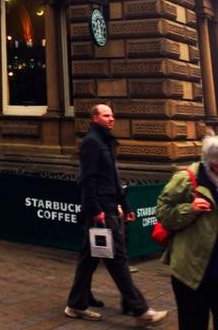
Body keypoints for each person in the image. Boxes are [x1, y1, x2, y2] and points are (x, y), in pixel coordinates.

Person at [64, 103, 167, 325]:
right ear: (95, 119)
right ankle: (141, 310)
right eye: (106, 115)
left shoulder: (105, 141)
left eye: (112, 115)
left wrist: (126, 205)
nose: (112, 118)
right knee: (117, 259)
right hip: (101, 211)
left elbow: (112, 177)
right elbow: (88, 179)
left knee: (89, 258)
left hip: (109, 205)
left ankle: (76, 303)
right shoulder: (91, 143)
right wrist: (96, 209)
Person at [156, 133, 218, 330]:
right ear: (215, 163)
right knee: (193, 322)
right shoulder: (186, 180)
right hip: (191, 271)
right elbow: (163, 214)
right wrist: (189, 209)